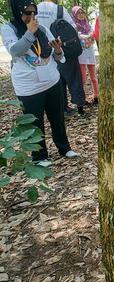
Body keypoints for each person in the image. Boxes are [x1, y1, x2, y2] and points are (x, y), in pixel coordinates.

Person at [2, 0, 79, 167]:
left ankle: (64, 148)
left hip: (52, 81)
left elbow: (56, 56)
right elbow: (15, 51)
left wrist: (58, 49)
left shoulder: (42, 29)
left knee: (57, 118)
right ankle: (39, 156)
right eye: (27, 13)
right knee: (35, 123)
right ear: (17, 13)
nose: (31, 17)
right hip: (28, 87)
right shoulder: (9, 29)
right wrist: (30, 33)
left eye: (33, 13)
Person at [37, 0, 86, 115]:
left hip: (44, 51)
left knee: (57, 80)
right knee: (74, 78)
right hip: (63, 48)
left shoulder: (35, 9)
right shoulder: (59, 9)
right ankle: (80, 109)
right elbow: (73, 29)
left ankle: (62, 108)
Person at [72, 6, 98, 105]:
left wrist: (90, 37)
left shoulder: (88, 25)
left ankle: (96, 95)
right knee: (82, 78)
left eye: (82, 12)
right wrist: (88, 36)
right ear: (75, 14)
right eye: (79, 13)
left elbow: (93, 35)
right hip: (81, 55)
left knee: (93, 77)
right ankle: (83, 98)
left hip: (90, 53)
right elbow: (78, 35)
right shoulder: (75, 25)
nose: (81, 14)